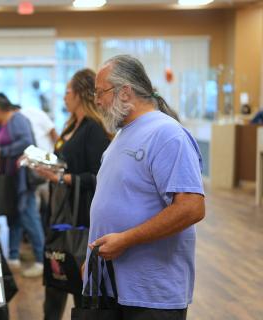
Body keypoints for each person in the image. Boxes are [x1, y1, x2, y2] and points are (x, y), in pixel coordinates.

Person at [87, 54, 205, 319]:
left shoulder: (167, 134)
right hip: (115, 283)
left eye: (100, 92)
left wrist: (126, 239)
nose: (96, 100)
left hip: (151, 295)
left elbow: (191, 208)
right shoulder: (123, 134)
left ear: (125, 92)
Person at [34, 69, 111, 320]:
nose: (64, 97)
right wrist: (50, 165)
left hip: (80, 215)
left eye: (67, 91)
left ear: (79, 94)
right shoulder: (71, 124)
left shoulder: (94, 128)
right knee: (55, 281)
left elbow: (100, 176)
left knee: (78, 283)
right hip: (60, 210)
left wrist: (62, 177)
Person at [0, 93, 45, 277]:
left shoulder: (17, 119)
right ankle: (13, 256)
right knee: (15, 217)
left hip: (22, 179)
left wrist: (3, 151)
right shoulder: (3, 124)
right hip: (10, 179)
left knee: (29, 217)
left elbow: (27, 143)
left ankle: (41, 260)